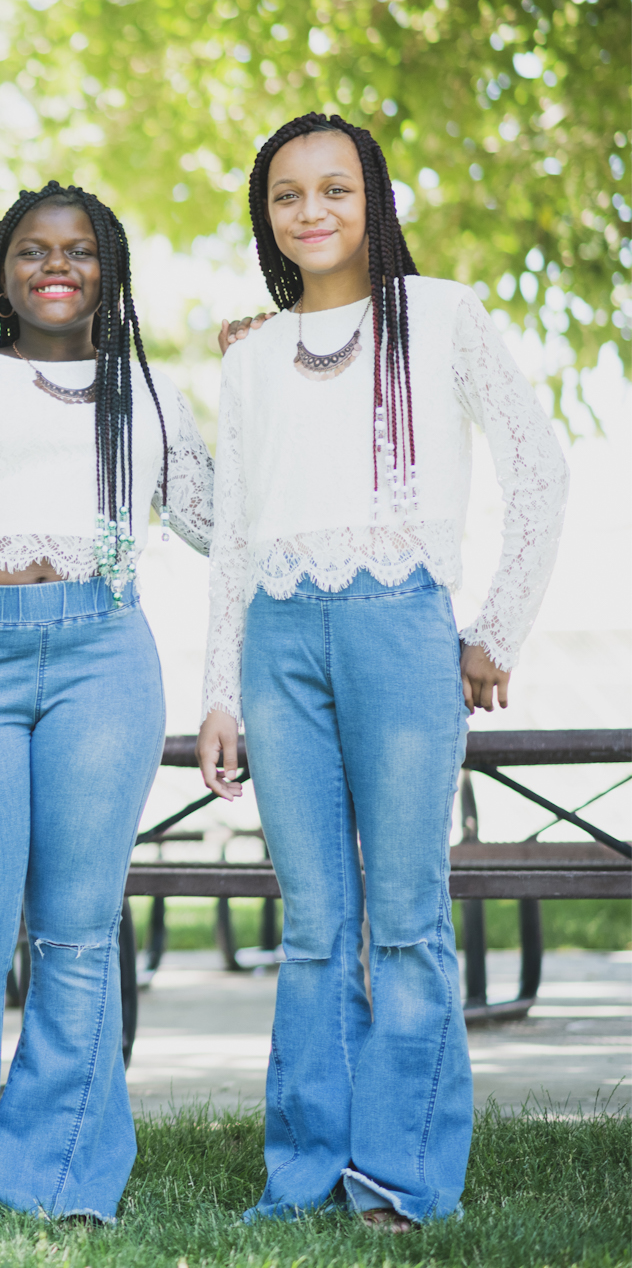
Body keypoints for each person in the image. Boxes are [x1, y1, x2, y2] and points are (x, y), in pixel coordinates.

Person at [195, 113, 568, 1229]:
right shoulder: (250, 356)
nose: (309, 212)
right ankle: (302, 1174)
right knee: (312, 922)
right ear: (265, 217)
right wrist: (219, 687)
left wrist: (493, 629)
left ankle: (400, 1182)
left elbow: (539, 468)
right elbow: (232, 537)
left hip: (399, 627)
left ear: (374, 199)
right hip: (276, 641)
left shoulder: (440, 313)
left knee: (403, 917)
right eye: (285, 197)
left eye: (333, 190)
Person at [0, 183, 215, 1222]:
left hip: (101, 658)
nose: (53, 266)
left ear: (108, 271)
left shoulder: (150, 399)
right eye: (31, 250)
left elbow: (225, 525)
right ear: (1, 272)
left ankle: (60, 1175)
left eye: (77, 250)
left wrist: (260, 377)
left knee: (73, 935)